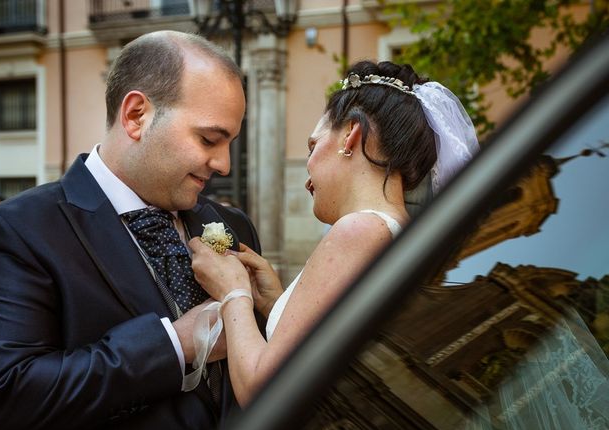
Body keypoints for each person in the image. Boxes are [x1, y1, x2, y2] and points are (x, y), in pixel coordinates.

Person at [0, 31, 261, 430]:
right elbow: (12, 398)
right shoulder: (22, 229)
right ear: (137, 115)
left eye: (230, 143)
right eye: (208, 139)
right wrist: (176, 345)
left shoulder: (232, 226)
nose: (223, 163)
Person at [189, 60, 479, 406]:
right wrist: (276, 301)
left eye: (313, 147)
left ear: (351, 136)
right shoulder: (398, 233)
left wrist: (233, 290)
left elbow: (263, 390)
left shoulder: (361, 230)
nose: (307, 171)